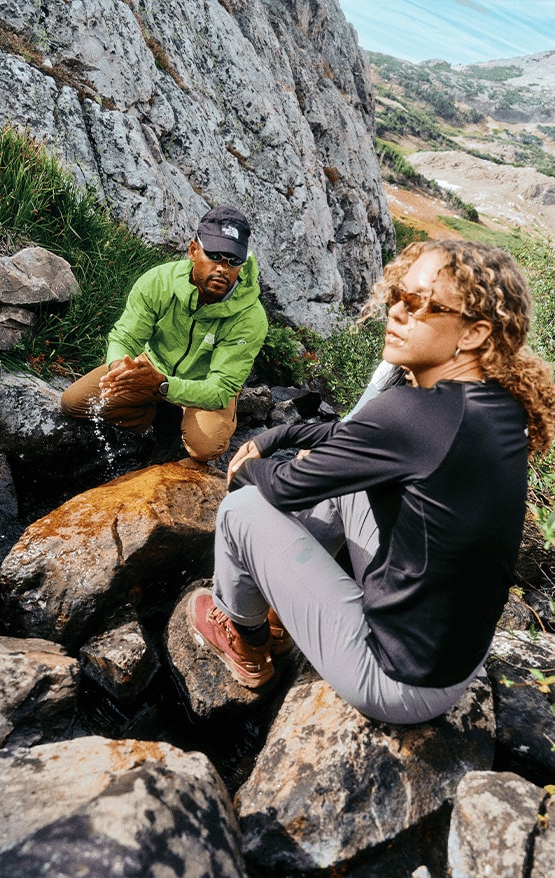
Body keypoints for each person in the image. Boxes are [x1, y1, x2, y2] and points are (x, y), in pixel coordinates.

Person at [186, 239, 555, 724]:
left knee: (242, 510)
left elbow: (283, 487)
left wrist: (247, 464)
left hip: (398, 681)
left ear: (473, 333)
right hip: (451, 657)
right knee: (353, 480)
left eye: (420, 303)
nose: (396, 311)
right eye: (398, 295)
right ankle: (280, 612)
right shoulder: (496, 403)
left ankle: (248, 639)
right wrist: (281, 433)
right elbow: (355, 438)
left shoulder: (412, 413)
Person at [61, 205, 268, 463]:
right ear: (193, 250)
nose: (223, 268)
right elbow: (124, 337)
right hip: (152, 366)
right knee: (74, 402)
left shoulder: (250, 317)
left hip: (204, 385)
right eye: (215, 255)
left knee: (204, 446)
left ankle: (180, 411)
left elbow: (219, 389)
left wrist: (164, 385)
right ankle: (156, 417)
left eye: (234, 261)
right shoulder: (159, 281)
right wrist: (119, 369)